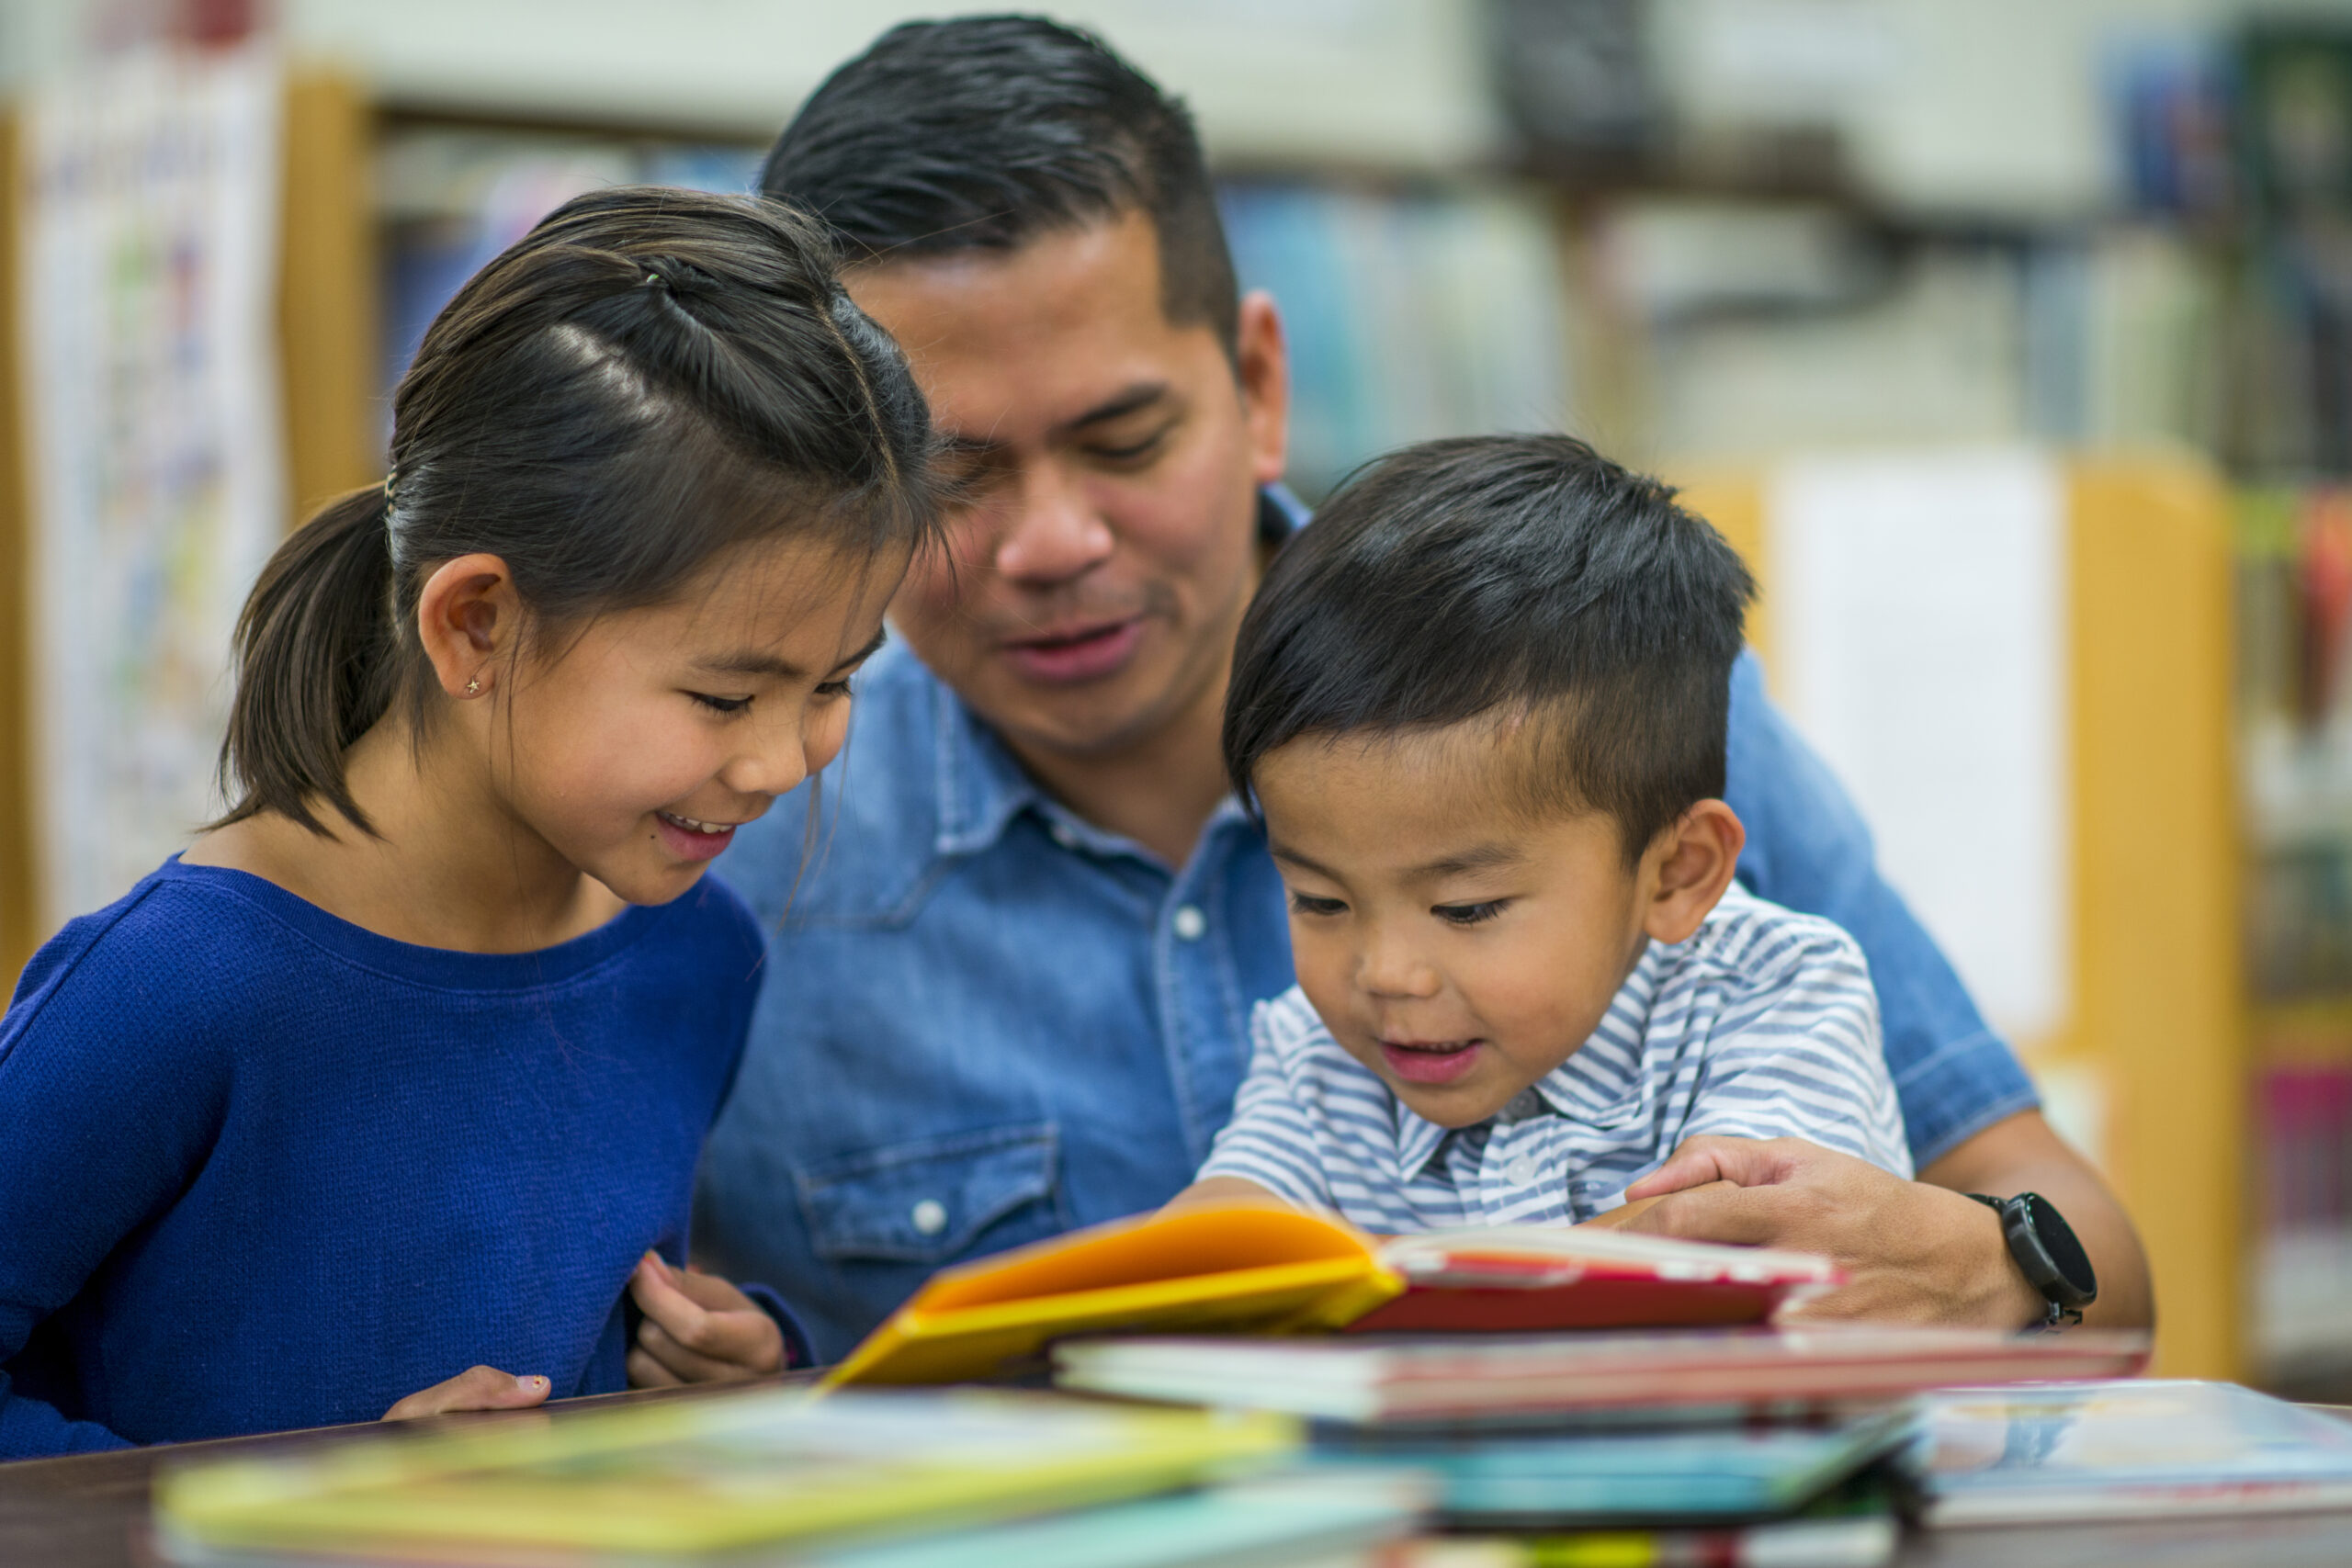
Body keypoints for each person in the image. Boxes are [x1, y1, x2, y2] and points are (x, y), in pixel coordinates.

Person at [695, 15, 2150, 1360]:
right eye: (956, 479)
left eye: (1127, 440)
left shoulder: (1612, 708)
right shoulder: (725, 840)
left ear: (1261, 385)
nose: (1056, 541)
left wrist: (1997, 1261)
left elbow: (2106, 1269)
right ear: (848, 483)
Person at [0, 187, 937, 1456]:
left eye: (833, 680)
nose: (783, 759)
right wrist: (309, 1502)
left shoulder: (698, 956)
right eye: (725, 693)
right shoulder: (174, 986)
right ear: (476, 623)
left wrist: (749, 1363)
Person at [1177, 434, 1911, 1227]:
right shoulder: (1312, 1060)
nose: (1387, 974)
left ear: (1675, 872)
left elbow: (1731, 1240)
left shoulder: (1774, 994)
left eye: (1466, 908)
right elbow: (1220, 1231)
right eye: (1320, 900)